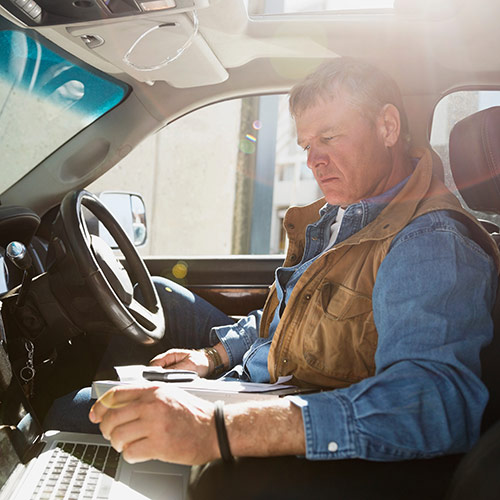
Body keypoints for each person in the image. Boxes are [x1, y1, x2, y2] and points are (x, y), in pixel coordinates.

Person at [46, 58, 500, 498]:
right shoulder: (344, 213)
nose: (313, 161)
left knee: (66, 411)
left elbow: (432, 401)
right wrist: (212, 356)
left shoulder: (430, 242)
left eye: (330, 136)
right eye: (306, 146)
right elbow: (285, 312)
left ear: (387, 127)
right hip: (260, 379)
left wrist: (218, 428)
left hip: (281, 405)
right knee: (162, 297)